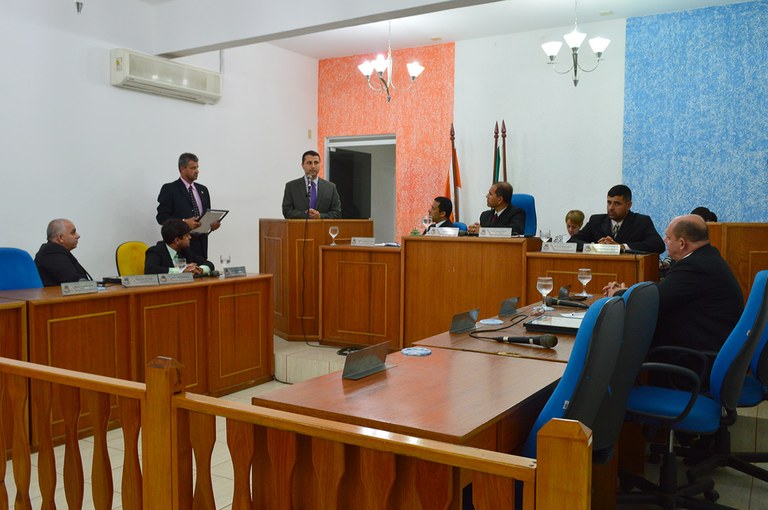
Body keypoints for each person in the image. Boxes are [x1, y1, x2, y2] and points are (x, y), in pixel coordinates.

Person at [604, 214, 743, 354]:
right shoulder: (706, 257)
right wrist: (629, 291)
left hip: (695, 353)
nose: (665, 240)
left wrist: (618, 294)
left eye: (668, 237)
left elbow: (653, 301)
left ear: (682, 243)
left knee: (623, 339)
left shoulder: (695, 266)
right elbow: (666, 291)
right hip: (704, 343)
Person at [156, 153, 220, 260]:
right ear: (182, 169)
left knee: (204, 268)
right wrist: (184, 222)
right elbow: (161, 217)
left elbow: (206, 215)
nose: (197, 171)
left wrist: (211, 225)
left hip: (201, 244)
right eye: (193, 168)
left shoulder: (203, 190)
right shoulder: (170, 189)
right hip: (180, 245)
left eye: (197, 167)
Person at [568, 184, 664, 253]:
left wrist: (622, 247)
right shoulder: (596, 221)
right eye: (609, 202)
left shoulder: (641, 221)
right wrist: (596, 247)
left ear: (629, 205)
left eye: (617, 203)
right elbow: (573, 241)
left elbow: (658, 245)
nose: (611, 207)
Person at [282, 150, 342, 219]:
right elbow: (287, 211)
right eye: (309, 163)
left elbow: (337, 213)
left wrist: (320, 216)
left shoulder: (330, 187)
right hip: (299, 225)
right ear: (302, 165)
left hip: (322, 225)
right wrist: (305, 215)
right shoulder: (291, 187)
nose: (313, 166)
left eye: (316, 163)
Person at [145, 219, 215, 275]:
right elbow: (150, 270)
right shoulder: (155, 251)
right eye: (187, 235)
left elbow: (209, 264)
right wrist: (181, 271)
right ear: (177, 240)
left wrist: (200, 269)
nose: (190, 237)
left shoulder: (185, 251)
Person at [34, 219, 92, 286]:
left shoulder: (57, 251)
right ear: (60, 238)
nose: (78, 236)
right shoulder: (52, 253)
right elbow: (74, 282)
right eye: (73, 233)